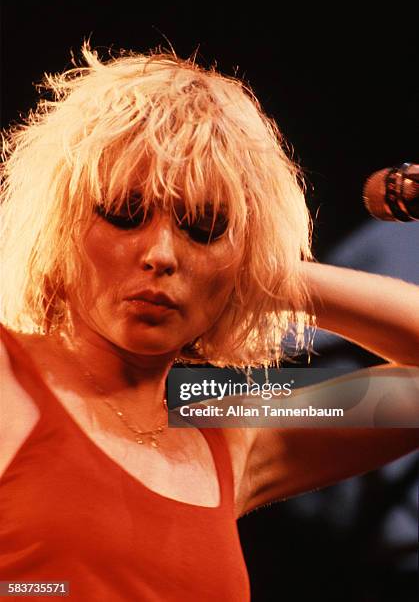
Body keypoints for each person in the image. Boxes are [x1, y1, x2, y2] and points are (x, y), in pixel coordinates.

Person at [0, 44, 418, 602]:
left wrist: (264, 275)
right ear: (61, 223)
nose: (162, 254)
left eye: (203, 226)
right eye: (126, 213)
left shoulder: (226, 430)